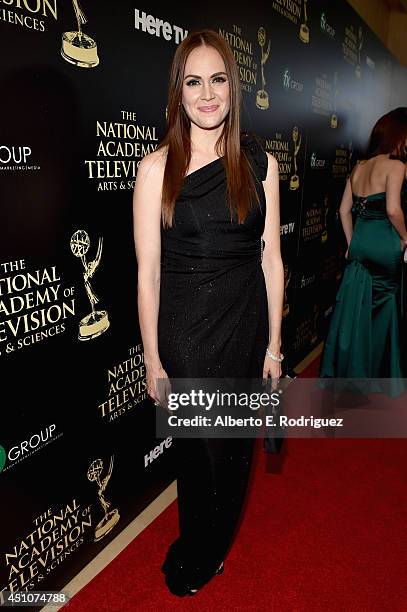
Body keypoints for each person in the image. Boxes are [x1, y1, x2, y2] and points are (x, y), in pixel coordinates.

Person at [133, 29, 284, 596]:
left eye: (217, 79)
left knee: (235, 454)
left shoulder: (259, 164)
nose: (207, 93)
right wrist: (152, 356)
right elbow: (148, 274)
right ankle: (195, 549)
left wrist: (273, 345)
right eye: (193, 81)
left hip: (244, 326)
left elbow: (272, 260)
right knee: (202, 456)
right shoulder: (155, 171)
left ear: (232, 87)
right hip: (187, 334)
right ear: (178, 92)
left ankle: (213, 544)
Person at [320, 107, 407, 379]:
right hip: (385, 246)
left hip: (359, 245)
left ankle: (353, 369)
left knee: (359, 308)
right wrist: (406, 237)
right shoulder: (397, 166)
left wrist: (351, 242)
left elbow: (343, 210)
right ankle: (382, 372)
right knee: (387, 307)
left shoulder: (359, 166)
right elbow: (393, 210)